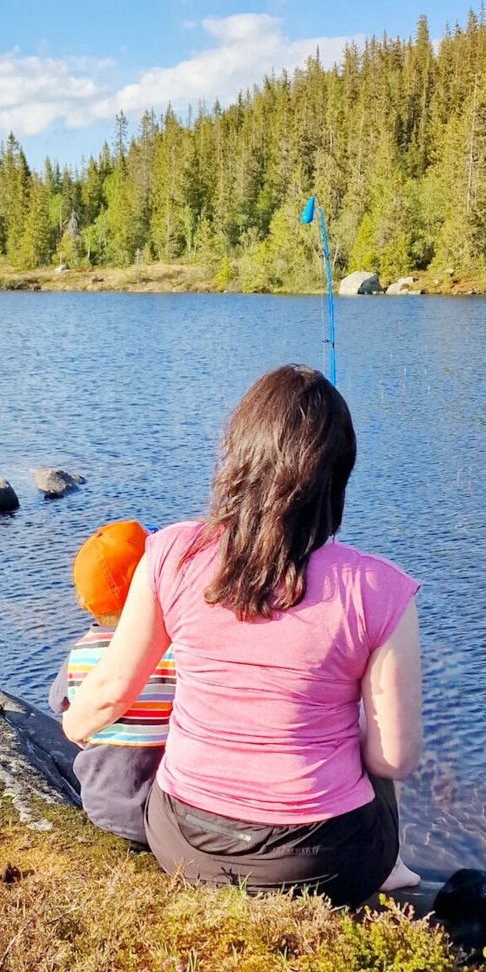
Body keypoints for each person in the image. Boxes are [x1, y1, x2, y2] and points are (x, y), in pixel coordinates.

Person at [60, 365, 422, 911]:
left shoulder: (170, 553)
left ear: (239, 455)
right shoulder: (382, 589)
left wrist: (68, 723)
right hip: (327, 864)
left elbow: (112, 689)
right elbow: (394, 757)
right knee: (373, 756)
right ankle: (391, 875)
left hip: (186, 845)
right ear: (337, 474)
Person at [49, 520, 176, 846]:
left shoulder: (79, 654)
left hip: (103, 807)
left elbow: (60, 704)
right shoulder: (176, 650)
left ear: (84, 602)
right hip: (169, 811)